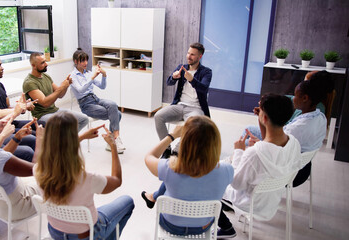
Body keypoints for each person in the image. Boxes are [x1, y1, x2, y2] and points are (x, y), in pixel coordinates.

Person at [34, 112, 134, 240]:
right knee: (127, 201)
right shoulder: (87, 178)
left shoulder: (37, 170)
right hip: (86, 235)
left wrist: (82, 137)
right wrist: (113, 146)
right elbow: (117, 180)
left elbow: (58, 148)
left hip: (55, 232)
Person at [217, 94, 302, 238]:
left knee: (209, 177)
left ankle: (225, 227)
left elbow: (237, 184)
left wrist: (239, 151)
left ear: (264, 118)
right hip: (271, 201)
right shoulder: (294, 143)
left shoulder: (254, 154)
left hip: (250, 203)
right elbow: (270, 150)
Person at [142, 116, 233, 236]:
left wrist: (171, 136)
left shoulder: (170, 168)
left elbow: (149, 156)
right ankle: (153, 196)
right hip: (203, 226)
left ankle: (153, 197)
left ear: (184, 142)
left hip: (171, 225)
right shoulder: (227, 170)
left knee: (169, 182)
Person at [243, 71, 333, 187]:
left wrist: (261, 120)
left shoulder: (297, 128)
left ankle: (248, 180)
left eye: (295, 95)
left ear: (305, 98)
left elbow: (268, 142)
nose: (293, 98)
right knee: (248, 135)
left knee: (246, 143)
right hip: (302, 166)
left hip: (288, 173)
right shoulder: (320, 117)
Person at [154, 42, 212, 157]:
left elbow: (204, 89)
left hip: (196, 108)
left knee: (192, 125)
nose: (188, 56)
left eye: (193, 55)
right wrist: (173, 77)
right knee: (158, 116)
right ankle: (166, 148)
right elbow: (168, 82)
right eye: (188, 53)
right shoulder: (182, 67)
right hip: (179, 105)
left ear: (200, 57)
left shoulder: (206, 72)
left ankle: (177, 150)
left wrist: (192, 80)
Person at [69, 48, 125, 153]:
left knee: (113, 105)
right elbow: (81, 90)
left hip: (95, 99)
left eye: (86, 60)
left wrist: (104, 75)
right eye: (82, 61)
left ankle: (114, 139)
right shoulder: (72, 76)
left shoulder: (88, 73)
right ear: (76, 62)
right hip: (86, 104)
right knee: (117, 114)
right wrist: (93, 77)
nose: (86, 63)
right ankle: (113, 141)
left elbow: (102, 86)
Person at [23, 52, 89, 131]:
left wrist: (66, 85)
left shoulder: (45, 76)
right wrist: (62, 87)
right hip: (42, 115)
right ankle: (66, 141)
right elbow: (45, 103)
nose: (46, 64)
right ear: (33, 66)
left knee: (84, 119)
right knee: (65, 124)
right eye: (43, 63)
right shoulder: (29, 82)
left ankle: (69, 141)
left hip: (54, 110)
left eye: (45, 61)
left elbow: (60, 95)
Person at [0, 53, 41, 132]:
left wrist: (22, 107)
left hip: (10, 122)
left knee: (42, 125)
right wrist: (21, 107)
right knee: (33, 134)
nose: (2, 68)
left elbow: (8, 108)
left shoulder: (0, 85)